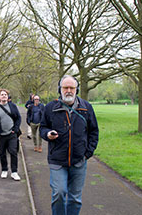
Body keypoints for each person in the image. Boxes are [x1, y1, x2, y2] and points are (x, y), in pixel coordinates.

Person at [40, 75, 99, 215]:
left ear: (76, 89)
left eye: (71, 88)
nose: (68, 90)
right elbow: (43, 127)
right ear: (59, 90)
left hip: (79, 160)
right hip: (57, 160)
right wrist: (47, 134)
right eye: (65, 87)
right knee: (59, 193)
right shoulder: (50, 108)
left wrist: (87, 153)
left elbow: (94, 132)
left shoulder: (86, 108)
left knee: (75, 199)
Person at [0, 89, 22, 181]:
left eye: (5, 94)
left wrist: (15, 129)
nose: (4, 96)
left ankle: (14, 172)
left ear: (8, 96)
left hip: (11, 134)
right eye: (2, 94)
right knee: (2, 153)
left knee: (13, 152)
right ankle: (4, 169)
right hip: (1, 135)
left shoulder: (13, 106)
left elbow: (18, 118)